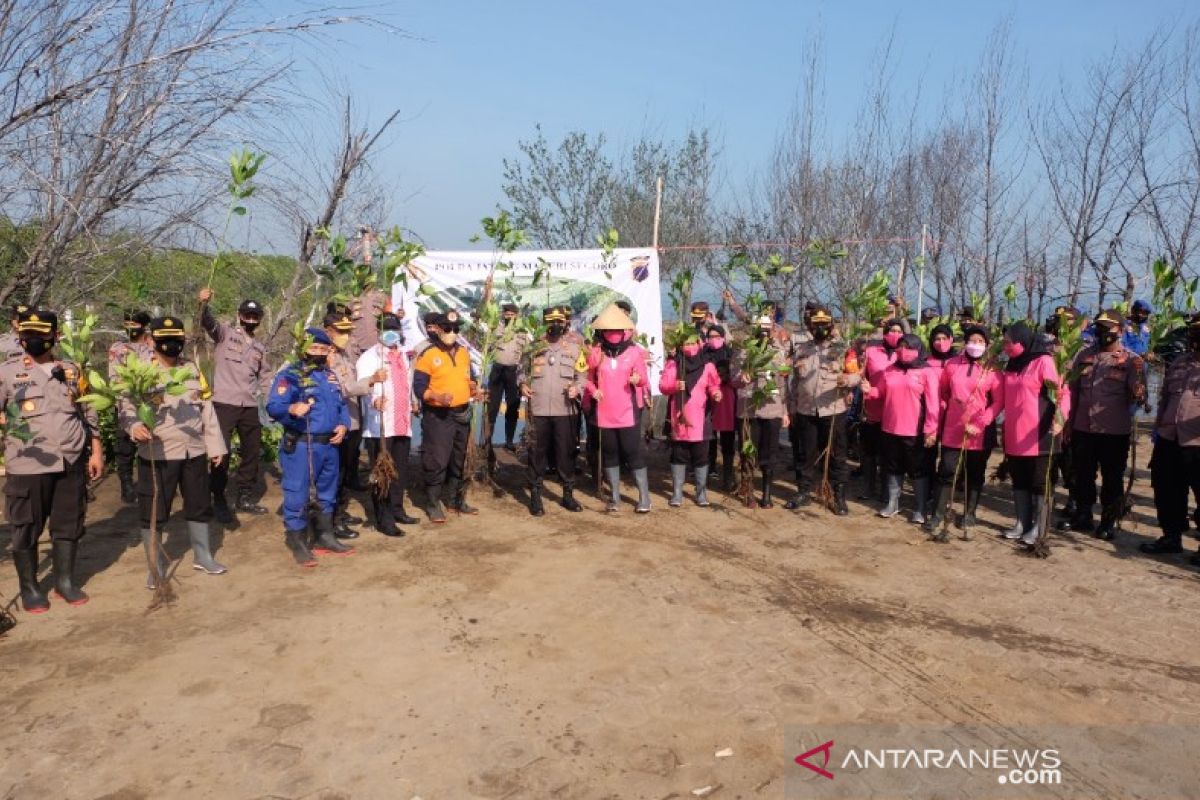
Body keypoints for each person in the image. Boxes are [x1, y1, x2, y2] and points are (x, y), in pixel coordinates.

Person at [0, 309, 103, 612]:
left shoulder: (72, 370)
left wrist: (96, 450)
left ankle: (65, 582)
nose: (33, 339)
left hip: (70, 459)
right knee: (26, 525)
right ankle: (30, 587)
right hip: (28, 462)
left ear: (56, 336)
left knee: (69, 523)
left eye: (41, 334)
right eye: (28, 334)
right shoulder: (6, 372)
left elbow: (89, 411)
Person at [123, 316, 228, 586]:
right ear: (151, 341)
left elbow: (207, 408)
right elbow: (126, 407)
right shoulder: (141, 372)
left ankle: (202, 556)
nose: (171, 344)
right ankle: (155, 566)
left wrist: (215, 446)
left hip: (193, 450)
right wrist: (133, 425)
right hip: (158, 452)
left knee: (199, 504)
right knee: (154, 511)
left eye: (176, 339)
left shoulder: (192, 369)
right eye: (165, 339)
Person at [267, 328, 353, 565]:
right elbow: (274, 406)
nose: (318, 353)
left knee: (327, 492)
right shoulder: (292, 375)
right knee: (298, 493)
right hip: (303, 445)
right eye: (314, 348)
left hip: (329, 445)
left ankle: (325, 536)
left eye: (323, 349)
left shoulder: (330, 375)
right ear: (303, 349)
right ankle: (298, 541)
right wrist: (291, 410)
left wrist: (343, 425)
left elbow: (341, 405)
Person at [1062, 309, 1147, 540]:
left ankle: (1108, 522)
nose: (1102, 332)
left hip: (1113, 431)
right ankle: (1083, 515)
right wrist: (1068, 423)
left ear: (1120, 330)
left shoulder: (1131, 360)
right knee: (1082, 474)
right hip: (1083, 427)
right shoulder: (1083, 356)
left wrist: (1140, 392)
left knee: (1112, 478)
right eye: (1099, 327)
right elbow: (1074, 391)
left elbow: (1138, 396)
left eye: (1107, 328)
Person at [994, 321, 1070, 546]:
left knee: (1039, 482)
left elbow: (1062, 393)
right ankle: (1022, 522)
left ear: (1023, 340)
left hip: (1040, 433)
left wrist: (1060, 418)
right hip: (1015, 433)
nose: (1006, 346)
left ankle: (1039, 526)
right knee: (1020, 481)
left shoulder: (1043, 362)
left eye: (1009, 342)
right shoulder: (1012, 364)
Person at [198, 288, 269, 523]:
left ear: (259, 320)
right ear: (239, 315)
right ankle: (217, 497)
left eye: (254, 317)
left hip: (249, 404)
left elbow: (266, 376)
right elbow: (206, 322)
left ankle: (244, 496)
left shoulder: (259, 348)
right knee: (221, 452)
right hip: (223, 403)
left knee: (251, 450)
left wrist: (270, 401)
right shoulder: (225, 334)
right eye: (247, 316)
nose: (250, 320)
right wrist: (203, 304)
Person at [926, 326, 1000, 536]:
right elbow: (943, 392)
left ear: (986, 345)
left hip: (979, 431)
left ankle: (969, 513)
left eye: (980, 342)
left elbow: (998, 402)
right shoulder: (952, 364)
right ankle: (938, 514)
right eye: (972, 340)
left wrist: (981, 422)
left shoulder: (992, 369)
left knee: (974, 473)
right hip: (953, 428)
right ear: (965, 342)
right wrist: (947, 408)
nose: (975, 345)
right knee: (947, 470)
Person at [786, 307, 858, 515]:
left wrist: (847, 379)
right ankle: (803, 492)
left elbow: (856, 375)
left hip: (833, 410)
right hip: (806, 410)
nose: (820, 328)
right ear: (810, 326)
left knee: (837, 455)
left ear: (830, 325)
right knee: (805, 454)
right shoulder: (802, 349)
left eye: (824, 324)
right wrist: (792, 406)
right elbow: (794, 381)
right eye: (816, 325)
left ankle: (838, 496)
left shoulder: (843, 348)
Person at [1141, 314, 1200, 563]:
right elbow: (1165, 398)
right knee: (1166, 489)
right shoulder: (1179, 363)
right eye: (1193, 331)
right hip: (1168, 437)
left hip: (1196, 442)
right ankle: (1171, 536)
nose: (1194, 336)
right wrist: (1158, 428)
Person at [413, 310, 480, 523]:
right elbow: (419, 388)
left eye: (456, 329)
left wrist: (474, 388)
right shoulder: (428, 355)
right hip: (438, 415)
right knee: (437, 459)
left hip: (461, 413)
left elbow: (470, 379)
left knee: (458, 458)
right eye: (448, 329)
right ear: (439, 330)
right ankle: (433, 504)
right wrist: (436, 396)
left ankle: (454, 500)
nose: (452, 332)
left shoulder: (463, 353)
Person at [865, 333, 941, 522]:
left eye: (908, 347)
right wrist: (868, 390)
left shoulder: (926, 372)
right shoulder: (890, 370)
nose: (903, 351)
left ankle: (921, 507)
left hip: (914, 431)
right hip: (890, 428)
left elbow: (933, 404)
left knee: (918, 469)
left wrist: (931, 430)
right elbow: (880, 392)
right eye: (900, 347)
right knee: (892, 467)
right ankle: (893, 503)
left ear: (918, 349)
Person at [520, 306, 587, 516]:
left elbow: (582, 375)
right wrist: (522, 383)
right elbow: (520, 370)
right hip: (538, 410)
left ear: (565, 323)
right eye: (551, 322)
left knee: (565, 454)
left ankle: (567, 495)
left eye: (559, 322)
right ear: (545, 324)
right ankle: (536, 497)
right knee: (536, 454)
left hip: (564, 411)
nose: (555, 326)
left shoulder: (575, 349)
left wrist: (578, 388)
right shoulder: (533, 348)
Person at [357, 312, 419, 535]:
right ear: (379, 331)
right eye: (386, 329)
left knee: (399, 469)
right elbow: (363, 386)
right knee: (382, 471)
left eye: (395, 329)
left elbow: (408, 384)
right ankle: (383, 519)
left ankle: (397, 508)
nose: (391, 334)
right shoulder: (369, 358)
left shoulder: (403, 355)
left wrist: (413, 402)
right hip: (380, 425)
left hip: (402, 422)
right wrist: (375, 399)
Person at [586, 303, 651, 512]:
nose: (613, 334)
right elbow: (585, 378)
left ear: (624, 331)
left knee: (633, 453)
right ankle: (615, 497)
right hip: (604, 413)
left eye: (616, 330)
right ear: (602, 332)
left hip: (627, 413)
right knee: (610, 454)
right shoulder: (596, 352)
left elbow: (644, 379)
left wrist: (637, 378)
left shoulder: (634, 352)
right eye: (609, 330)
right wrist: (592, 389)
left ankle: (644, 497)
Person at [325, 309, 378, 537]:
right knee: (334, 473)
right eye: (341, 331)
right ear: (328, 331)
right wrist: (371, 381)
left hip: (353, 419)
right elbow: (344, 387)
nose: (346, 336)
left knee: (346, 470)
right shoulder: (325, 357)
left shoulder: (345, 354)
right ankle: (332, 519)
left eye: (348, 332)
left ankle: (340, 511)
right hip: (337, 422)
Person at [660, 331, 723, 507]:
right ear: (681, 346)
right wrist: (674, 386)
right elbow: (663, 387)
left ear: (699, 344)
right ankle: (677, 493)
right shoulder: (673, 364)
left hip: (700, 418)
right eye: (686, 344)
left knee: (701, 457)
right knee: (678, 455)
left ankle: (701, 493)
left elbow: (714, 384)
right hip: (679, 417)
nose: (689, 347)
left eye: (692, 343)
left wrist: (716, 393)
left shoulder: (708, 366)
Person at [735, 313, 791, 509]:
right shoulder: (743, 351)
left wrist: (784, 411)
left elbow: (782, 383)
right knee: (748, 453)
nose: (764, 332)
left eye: (768, 328)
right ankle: (748, 491)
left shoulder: (778, 352)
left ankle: (766, 494)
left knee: (770, 454)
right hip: (748, 410)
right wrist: (742, 377)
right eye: (761, 328)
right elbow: (733, 380)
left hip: (772, 408)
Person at [108, 309, 152, 504]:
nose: (130, 329)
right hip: (127, 402)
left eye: (134, 325)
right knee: (124, 447)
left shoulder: (153, 346)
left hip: (150, 403)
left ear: (143, 326)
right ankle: (126, 485)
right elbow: (114, 376)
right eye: (127, 324)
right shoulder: (118, 348)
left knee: (151, 442)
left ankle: (148, 484)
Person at [859, 319, 903, 500]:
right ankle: (868, 487)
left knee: (889, 454)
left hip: (894, 412)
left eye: (899, 331)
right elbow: (860, 374)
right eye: (891, 330)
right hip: (872, 409)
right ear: (884, 333)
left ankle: (887, 490)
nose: (895, 334)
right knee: (870, 452)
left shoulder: (905, 353)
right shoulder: (871, 351)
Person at [488, 303, 527, 451]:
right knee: (492, 406)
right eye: (507, 313)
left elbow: (525, 354)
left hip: (513, 371)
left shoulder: (522, 332)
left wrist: (522, 377)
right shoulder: (495, 329)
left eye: (512, 314)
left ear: (517, 315)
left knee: (513, 406)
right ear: (503, 314)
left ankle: (509, 441)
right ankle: (488, 441)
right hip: (497, 370)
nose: (509, 316)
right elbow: (487, 347)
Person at [705, 324, 738, 490]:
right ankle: (709, 470)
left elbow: (737, 376)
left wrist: (726, 377)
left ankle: (728, 476)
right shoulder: (704, 353)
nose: (713, 339)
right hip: (708, 401)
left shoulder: (731, 354)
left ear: (723, 338)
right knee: (709, 438)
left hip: (727, 402)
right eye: (710, 336)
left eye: (717, 336)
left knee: (727, 440)